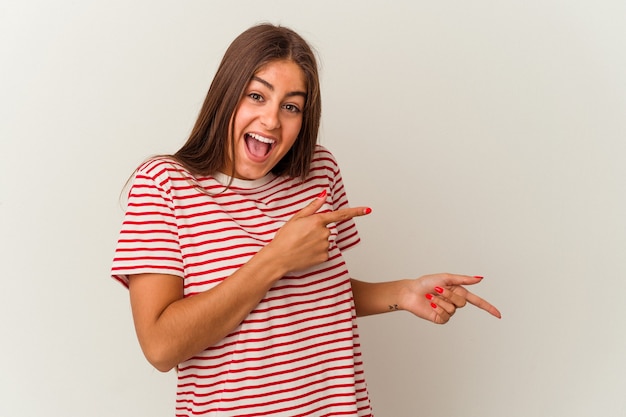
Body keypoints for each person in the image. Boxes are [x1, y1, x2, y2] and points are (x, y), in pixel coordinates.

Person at [111, 23, 501, 417]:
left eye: (291, 106)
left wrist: (401, 293)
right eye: (256, 96)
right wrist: (276, 258)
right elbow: (160, 348)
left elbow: (314, 292)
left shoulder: (319, 171)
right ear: (226, 95)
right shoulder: (164, 185)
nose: (271, 121)